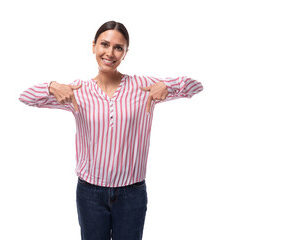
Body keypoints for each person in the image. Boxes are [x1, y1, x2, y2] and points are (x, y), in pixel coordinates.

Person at [19, 20, 203, 240]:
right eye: (105, 45)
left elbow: (196, 86)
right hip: (90, 194)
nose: (110, 53)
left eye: (118, 47)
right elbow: (26, 97)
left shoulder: (143, 86)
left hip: (132, 193)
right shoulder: (78, 91)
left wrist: (169, 85)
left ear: (125, 53)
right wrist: (51, 85)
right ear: (94, 46)